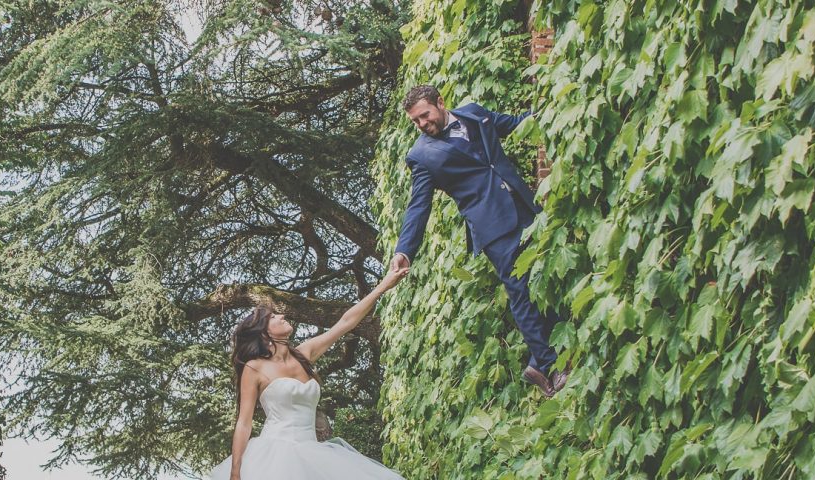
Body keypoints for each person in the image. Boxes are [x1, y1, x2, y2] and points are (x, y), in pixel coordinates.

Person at [390, 84, 569, 397]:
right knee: (520, 292)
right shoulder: (421, 156)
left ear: (440, 102)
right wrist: (405, 249)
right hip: (493, 227)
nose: (422, 124)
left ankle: (541, 360)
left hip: (524, 209)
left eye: (424, 115)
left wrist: (552, 107)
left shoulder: (474, 113)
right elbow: (419, 206)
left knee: (543, 277)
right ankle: (550, 364)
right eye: (415, 121)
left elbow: (515, 124)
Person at [210, 266, 409, 480]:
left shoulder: (304, 354)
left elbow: (345, 322)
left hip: (313, 453)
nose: (282, 315)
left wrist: (384, 285)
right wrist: (235, 472)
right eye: (274, 317)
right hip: (274, 457)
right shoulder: (254, 367)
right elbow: (244, 422)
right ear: (264, 332)